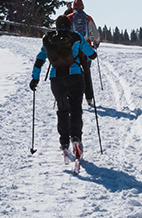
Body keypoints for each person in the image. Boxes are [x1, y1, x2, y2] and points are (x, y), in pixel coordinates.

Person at [29, 13, 98, 160]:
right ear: (69, 25)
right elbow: (90, 53)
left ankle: (64, 142)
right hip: (74, 75)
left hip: (56, 78)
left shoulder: (48, 39)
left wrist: (35, 79)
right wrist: (92, 55)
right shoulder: (76, 36)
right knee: (75, 109)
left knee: (62, 109)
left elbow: (39, 60)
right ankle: (76, 138)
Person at [69, 0, 98, 103]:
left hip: (73, 50)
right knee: (86, 73)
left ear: (73, 8)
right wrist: (96, 43)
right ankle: (89, 98)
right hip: (86, 49)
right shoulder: (88, 18)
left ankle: (73, 97)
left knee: (72, 72)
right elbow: (95, 34)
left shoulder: (69, 18)